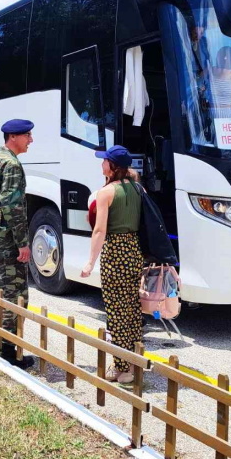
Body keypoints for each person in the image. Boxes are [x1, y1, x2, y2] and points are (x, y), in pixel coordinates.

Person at [81, 145, 144, 385]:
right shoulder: (138, 188)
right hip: (134, 251)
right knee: (132, 308)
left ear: (112, 166)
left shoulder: (106, 193)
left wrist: (90, 262)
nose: (101, 164)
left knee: (116, 311)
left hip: (115, 252)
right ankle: (134, 361)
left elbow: (99, 230)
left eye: (104, 161)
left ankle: (121, 367)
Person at [0, 119, 36, 370]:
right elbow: (12, 206)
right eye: (27, 135)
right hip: (7, 237)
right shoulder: (11, 164)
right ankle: (9, 350)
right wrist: (23, 242)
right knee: (15, 292)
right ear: (13, 137)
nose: (31, 140)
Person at [208, 46, 231, 119]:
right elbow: (195, 82)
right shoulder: (209, 70)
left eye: (227, 57)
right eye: (223, 55)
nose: (225, 58)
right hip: (209, 115)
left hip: (227, 116)